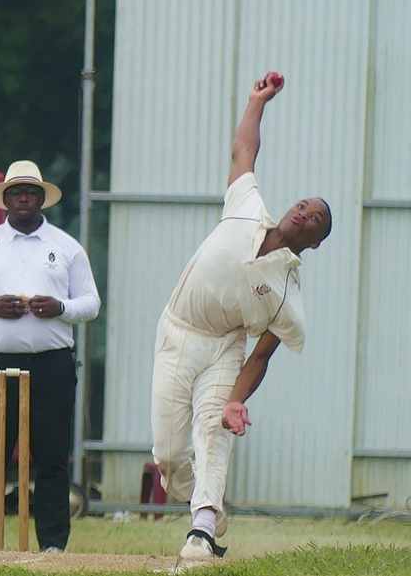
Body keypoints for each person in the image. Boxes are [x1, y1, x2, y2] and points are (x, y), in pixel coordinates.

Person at [150, 72, 332, 559]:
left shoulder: (286, 296)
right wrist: (257, 102)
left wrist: (236, 400)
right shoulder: (247, 206)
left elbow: (262, 355)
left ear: (314, 242)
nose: (303, 212)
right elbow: (243, 152)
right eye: (302, 205)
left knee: (212, 429)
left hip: (224, 349)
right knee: (168, 459)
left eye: (314, 217)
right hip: (176, 331)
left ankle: (203, 526)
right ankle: (203, 502)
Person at [0, 160, 100, 553]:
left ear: (41, 199)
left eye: (30, 192)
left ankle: (53, 544)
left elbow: (92, 304)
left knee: (51, 456)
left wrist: (61, 308)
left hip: (51, 363)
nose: (23, 199)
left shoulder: (66, 247)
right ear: (4, 199)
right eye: (16, 192)